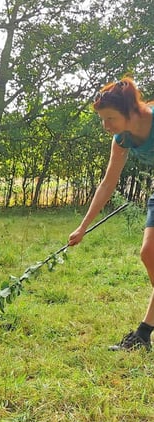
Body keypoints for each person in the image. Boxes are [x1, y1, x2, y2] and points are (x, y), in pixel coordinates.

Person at [69, 76, 154, 350]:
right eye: (102, 120)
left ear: (130, 112)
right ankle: (142, 336)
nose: (105, 126)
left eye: (109, 118)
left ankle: (142, 335)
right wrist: (82, 227)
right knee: (149, 253)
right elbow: (108, 182)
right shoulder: (122, 138)